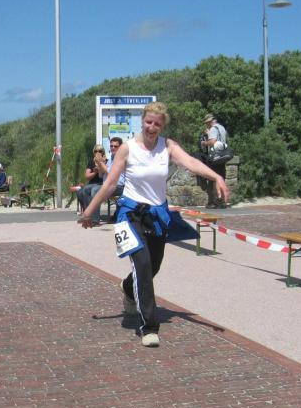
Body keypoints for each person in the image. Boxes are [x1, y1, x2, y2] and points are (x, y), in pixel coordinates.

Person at [78, 101, 229, 348]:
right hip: (130, 214)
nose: (152, 127)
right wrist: (89, 212)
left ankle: (129, 288)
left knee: (153, 266)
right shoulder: (127, 149)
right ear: (142, 121)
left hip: (157, 214)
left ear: (162, 126)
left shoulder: (167, 146)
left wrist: (216, 176)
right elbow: (109, 183)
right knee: (143, 264)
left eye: (157, 124)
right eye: (148, 122)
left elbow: (190, 162)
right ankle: (149, 327)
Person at [199, 114, 229, 208]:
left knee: (212, 178)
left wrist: (204, 143)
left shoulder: (213, 129)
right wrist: (209, 134)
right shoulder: (222, 128)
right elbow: (221, 140)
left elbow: (213, 141)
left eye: (207, 123)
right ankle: (222, 201)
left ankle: (213, 202)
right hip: (222, 156)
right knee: (221, 177)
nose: (206, 125)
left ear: (210, 121)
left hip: (214, 157)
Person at [77, 145, 109, 224]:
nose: (98, 153)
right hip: (92, 183)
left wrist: (100, 165)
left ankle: (94, 218)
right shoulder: (91, 162)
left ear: (103, 152)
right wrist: (95, 172)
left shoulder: (106, 161)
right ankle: (87, 215)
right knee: (80, 192)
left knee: (92, 190)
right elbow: (87, 176)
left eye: (100, 151)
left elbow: (105, 173)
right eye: (96, 151)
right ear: (93, 152)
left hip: (101, 183)